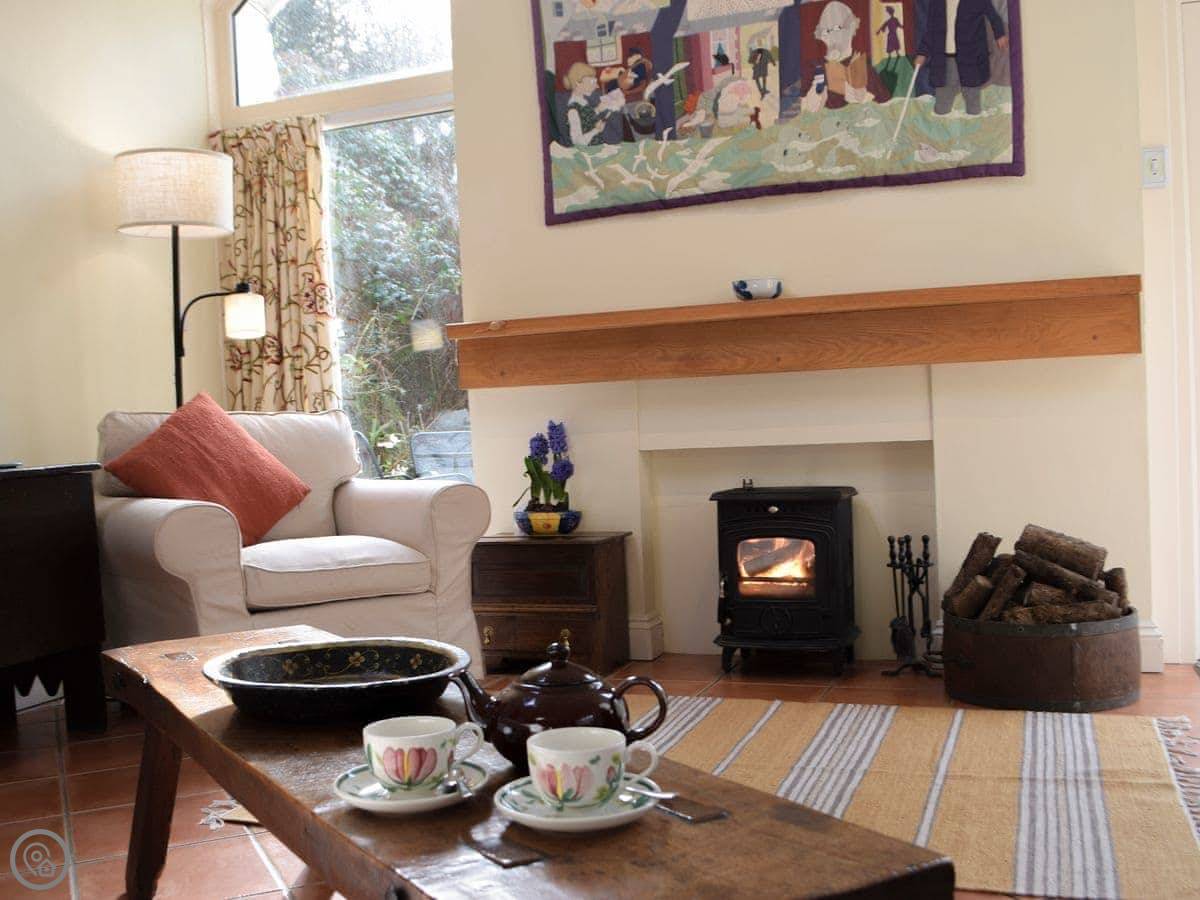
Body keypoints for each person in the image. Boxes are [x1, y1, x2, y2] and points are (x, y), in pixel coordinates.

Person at [915, 0, 1009, 116]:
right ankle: (942, 121)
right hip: (945, 58)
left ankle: (974, 121)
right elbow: (930, 30)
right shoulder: (937, 3)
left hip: (971, 56)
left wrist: (1000, 34)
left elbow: (993, 16)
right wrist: (922, 53)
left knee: (971, 95)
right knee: (943, 99)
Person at [799, 1, 891, 112]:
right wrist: (812, 98)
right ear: (821, 35)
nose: (834, 35)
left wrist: (865, 97)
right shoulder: (814, 68)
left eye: (839, 28)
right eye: (827, 31)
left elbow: (884, 102)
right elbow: (801, 106)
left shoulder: (863, 67)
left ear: (852, 28)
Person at [561, 61, 614, 147]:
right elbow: (577, 142)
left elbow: (585, 117)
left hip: (598, 145)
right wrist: (596, 130)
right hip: (589, 151)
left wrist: (597, 110)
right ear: (578, 83)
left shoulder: (582, 101)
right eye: (592, 82)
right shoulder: (573, 111)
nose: (597, 86)